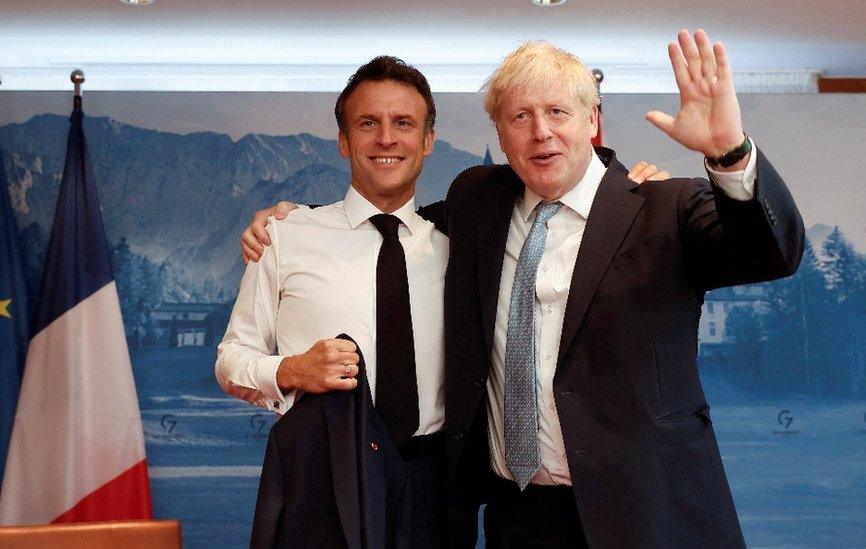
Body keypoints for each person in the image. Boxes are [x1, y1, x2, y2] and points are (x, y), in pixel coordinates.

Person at [240, 30, 803, 548]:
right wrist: (298, 220)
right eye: (520, 117)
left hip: (648, 510)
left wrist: (729, 154)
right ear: (501, 136)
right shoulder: (477, 203)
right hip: (519, 515)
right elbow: (390, 226)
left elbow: (771, 253)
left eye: (558, 111)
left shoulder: (663, 206)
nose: (541, 131)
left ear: (591, 120)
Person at [217, 56, 450, 547]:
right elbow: (231, 361)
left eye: (403, 123)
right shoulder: (284, 236)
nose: (386, 138)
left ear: (427, 140)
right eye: (368, 123)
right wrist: (293, 371)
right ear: (344, 141)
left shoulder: (460, 244)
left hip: (437, 486)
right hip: (323, 478)